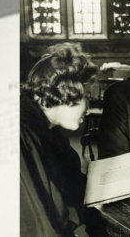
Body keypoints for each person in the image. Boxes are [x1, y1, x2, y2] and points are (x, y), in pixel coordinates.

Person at [20, 42, 98, 237]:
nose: (87, 108)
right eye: (85, 97)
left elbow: (73, 184)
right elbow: (36, 224)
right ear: (64, 94)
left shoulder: (47, 130)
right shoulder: (22, 135)